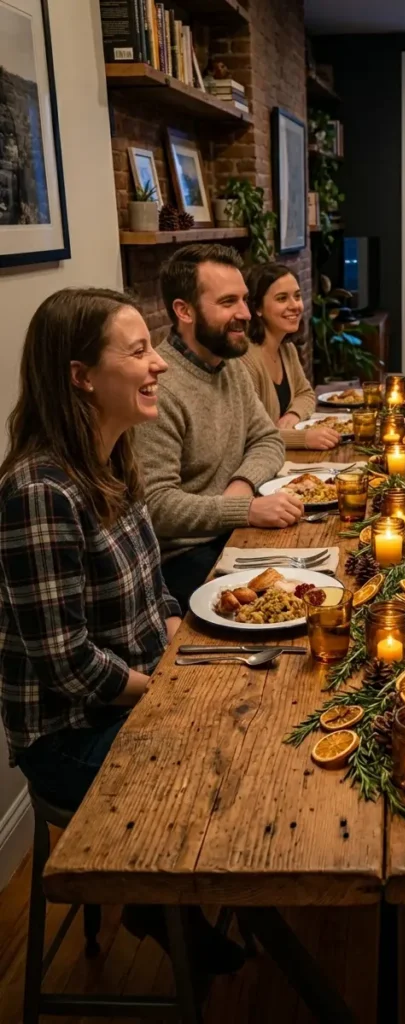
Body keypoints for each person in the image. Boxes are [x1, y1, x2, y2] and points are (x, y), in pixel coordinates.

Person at [0, 288, 243, 973]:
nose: (158, 363)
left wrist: (174, 626)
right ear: (81, 376)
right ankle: (160, 890)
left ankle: (191, 889)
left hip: (132, 690)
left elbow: (152, 586)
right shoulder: (39, 493)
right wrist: (166, 691)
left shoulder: (112, 457)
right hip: (71, 733)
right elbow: (67, 666)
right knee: (237, 765)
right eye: (138, 351)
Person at [139, 244, 302, 613]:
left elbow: (268, 438)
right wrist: (244, 510)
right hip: (183, 559)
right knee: (293, 606)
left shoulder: (229, 366)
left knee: (323, 574)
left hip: (235, 533)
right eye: (228, 302)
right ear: (184, 310)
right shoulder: (159, 386)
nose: (245, 314)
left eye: (244, 300)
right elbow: (156, 506)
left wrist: (241, 487)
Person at [242, 262, 341, 450]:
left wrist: (293, 415)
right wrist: (302, 439)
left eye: (297, 296)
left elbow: (306, 394)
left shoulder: (287, 349)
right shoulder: (245, 359)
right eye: (281, 299)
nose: (295, 306)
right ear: (257, 308)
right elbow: (249, 433)